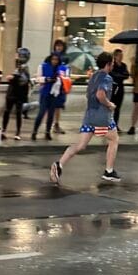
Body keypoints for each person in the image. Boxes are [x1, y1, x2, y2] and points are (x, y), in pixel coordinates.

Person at [49, 51, 121, 184]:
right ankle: (109, 171)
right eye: (112, 63)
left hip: (89, 116)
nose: (113, 65)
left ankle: (59, 164)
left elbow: (90, 95)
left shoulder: (93, 76)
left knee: (81, 145)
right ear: (108, 64)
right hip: (102, 116)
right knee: (114, 139)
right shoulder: (106, 78)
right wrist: (109, 104)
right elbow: (100, 95)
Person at [32, 52, 63, 140]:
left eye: (56, 60)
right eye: (53, 59)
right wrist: (46, 79)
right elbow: (38, 78)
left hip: (54, 93)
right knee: (41, 113)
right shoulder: (43, 66)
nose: (55, 61)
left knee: (51, 114)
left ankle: (47, 132)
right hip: (45, 92)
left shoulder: (58, 68)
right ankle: (35, 131)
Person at [2, 56, 32, 140]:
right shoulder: (16, 72)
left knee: (18, 113)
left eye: (21, 63)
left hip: (19, 94)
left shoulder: (24, 73)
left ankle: (17, 132)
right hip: (12, 94)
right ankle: (3, 131)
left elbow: (24, 81)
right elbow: (11, 78)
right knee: (7, 111)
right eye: (18, 63)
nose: (20, 66)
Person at [51, 39, 70, 135]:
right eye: (57, 45)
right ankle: (51, 124)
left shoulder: (65, 58)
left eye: (60, 45)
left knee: (58, 106)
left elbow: (66, 72)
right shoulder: (51, 57)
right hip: (52, 84)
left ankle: (56, 124)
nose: (58, 47)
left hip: (61, 85)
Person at [110, 49, 130, 130]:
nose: (121, 57)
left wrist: (119, 76)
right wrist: (120, 76)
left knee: (118, 108)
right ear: (115, 56)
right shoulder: (112, 65)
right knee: (110, 107)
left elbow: (126, 75)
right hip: (113, 87)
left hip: (120, 87)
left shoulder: (123, 65)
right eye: (119, 56)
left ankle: (115, 124)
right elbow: (112, 74)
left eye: (122, 56)